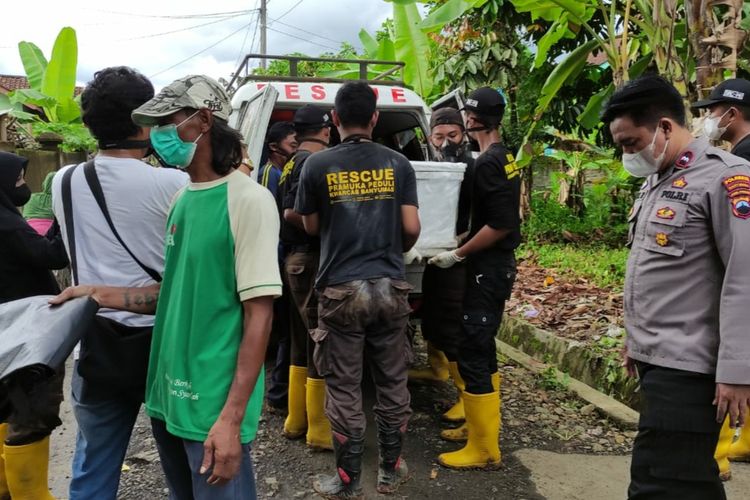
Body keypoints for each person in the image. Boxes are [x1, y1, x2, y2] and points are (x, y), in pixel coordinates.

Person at [53, 74, 282, 499]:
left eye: (166, 122)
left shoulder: (248, 200)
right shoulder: (181, 198)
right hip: (168, 397)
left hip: (210, 402)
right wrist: (98, 294)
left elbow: (259, 314)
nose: (157, 135)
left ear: (203, 121)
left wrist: (231, 418)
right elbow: (172, 294)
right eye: (152, 125)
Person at [602, 74, 750, 500]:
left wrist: (738, 371)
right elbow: (657, 275)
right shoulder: (659, 178)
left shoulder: (726, 178)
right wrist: (636, 340)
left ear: (665, 127)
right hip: (659, 360)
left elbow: (744, 276)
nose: (628, 154)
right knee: (681, 479)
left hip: (691, 366)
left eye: (631, 142)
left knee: (662, 484)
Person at [49, 66, 187, 500]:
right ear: (147, 119)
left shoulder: (65, 180)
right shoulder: (174, 183)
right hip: (164, 342)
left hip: (97, 338)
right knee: (182, 460)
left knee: (94, 465)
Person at [296, 81, 420, 498]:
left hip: (340, 291)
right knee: (392, 381)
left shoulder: (316, 166)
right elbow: (411, 229)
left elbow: (311, 227)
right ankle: (389, 470)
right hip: (390, 287)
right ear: (374, 118)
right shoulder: (398, 163)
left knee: (345, 386)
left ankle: (347, 481)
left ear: (334, 119)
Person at [428, 87, 520, 470]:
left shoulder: (487, 163)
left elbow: (501, 224)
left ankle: (485, 448)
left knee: (474, 350)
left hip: (487, 269)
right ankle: (478, 431)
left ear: (472, 120)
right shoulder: (506, 156)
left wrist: (458, 253)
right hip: (492, 265)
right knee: (482, 349)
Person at [0, 151, 68, 499]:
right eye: (17, 180)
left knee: (4, 413)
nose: (24, 185)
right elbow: (52, 255)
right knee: (29, 419)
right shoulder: (6, 223)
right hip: (26, 340)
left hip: (5, 336)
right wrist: (64, 218)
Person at [692, 77, 750, 481]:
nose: (709, 118)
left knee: (729, 366)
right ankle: (743, 441)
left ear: (732, 113)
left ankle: (717, 457)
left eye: (713, 111)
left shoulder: (742, 161)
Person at [410, 107, 476, 442]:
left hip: (459, 258)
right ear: (430, 137)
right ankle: (437, 371)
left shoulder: (474, 167)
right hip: (433, 257)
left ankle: (468, 398)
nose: (446, 143)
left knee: (452, 327)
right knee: (433, 319)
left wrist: (461, 245)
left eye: (453, 136)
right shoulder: (431, 167)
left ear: (464, 134)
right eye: (439, 137)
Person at [277, 104, 333, 450]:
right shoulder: (313, 162)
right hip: (310, 258)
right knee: (319, 340)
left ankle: (296, 420)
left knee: (300, 338)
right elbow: (293, 212)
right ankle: (320, 430)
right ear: (326, 130)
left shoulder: (292, 162)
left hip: (293, 259)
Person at [259, 121, 298, 196]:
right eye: (293, 146)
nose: (297, 151)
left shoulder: (286, 172)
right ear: (274, 147)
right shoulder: (269, 172)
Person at [23, 171, 56, 236]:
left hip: (28, 231)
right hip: (50, 232)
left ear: (45, 183)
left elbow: (24, 215)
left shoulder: (31, 197)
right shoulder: (59, 200)